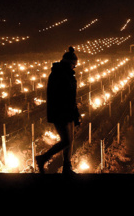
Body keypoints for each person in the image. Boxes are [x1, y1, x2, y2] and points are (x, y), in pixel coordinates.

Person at [36, 46, 81, 175]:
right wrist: (69, 112)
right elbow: (60, 96)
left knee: (69, 141)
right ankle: (43, 158)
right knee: (66, 140)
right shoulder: (59, 74)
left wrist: (76, 113)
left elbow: (72, 96)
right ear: (70, 63)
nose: (74, 68)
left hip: (69, 112)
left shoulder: (66, 73)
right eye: (74, 65)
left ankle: (67, 168)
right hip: (61, 112)